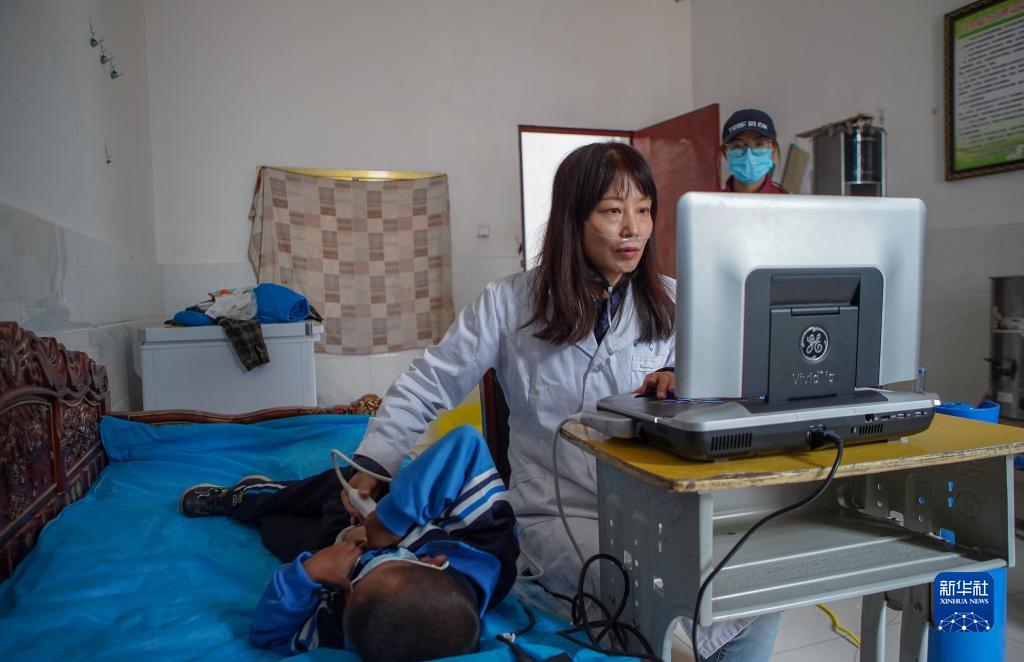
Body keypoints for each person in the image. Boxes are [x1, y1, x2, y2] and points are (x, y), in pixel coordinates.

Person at [339, 142, 779, 661]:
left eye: (643, 210)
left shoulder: (673, 301)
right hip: (558, 512)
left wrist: (686, 381)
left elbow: (730, 388)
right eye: (613, 211)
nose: (633, 229)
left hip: (658, 507)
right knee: (657, 600)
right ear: (574, 218)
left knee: (756, 590)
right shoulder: (509, 304)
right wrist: (374, 462)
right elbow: (429, 382)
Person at [178, 425, 517, 661]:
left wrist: (308, 573)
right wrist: (387, 523)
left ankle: (256, 508)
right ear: (434, 562)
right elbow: (465, 444)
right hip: (370, 506)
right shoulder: (489, 548)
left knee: (274, 531)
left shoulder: (357, 628)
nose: (361, 559)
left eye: (353, 581)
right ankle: (240, 497)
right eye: (379, 560)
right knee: (302, 493)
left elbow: (270, 634)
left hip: (325, 548)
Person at [720, 108, 789, 194]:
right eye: (738, 145)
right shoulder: (710, 201)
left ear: (773, 150)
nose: (749, 156)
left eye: (759, 144)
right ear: (725, 153)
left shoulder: (790, 201)